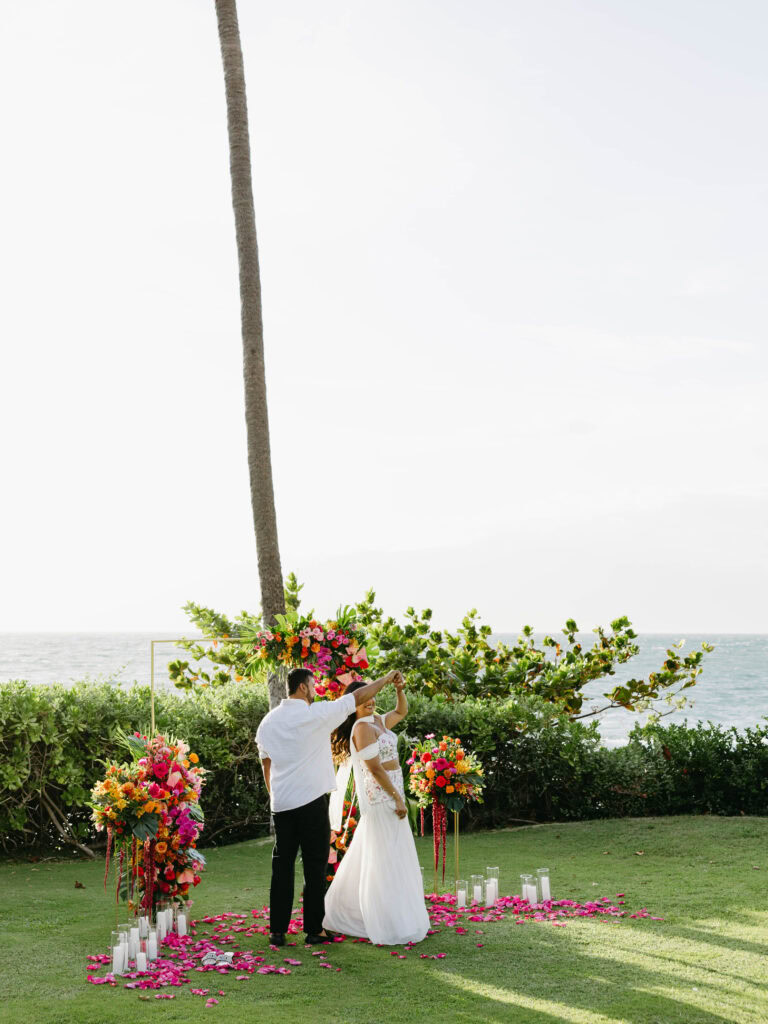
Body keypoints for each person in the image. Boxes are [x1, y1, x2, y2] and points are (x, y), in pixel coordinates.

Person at [255, 665, 399, 946]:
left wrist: (275, 796)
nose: (316, 689)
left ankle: (277, 931)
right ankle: (314, 930)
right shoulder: (316, 714)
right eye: (313, 684)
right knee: (315, 865)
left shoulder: (267, 722)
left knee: (281, 866)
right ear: (302, 688)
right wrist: (386, 678)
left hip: (281, 804)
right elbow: (358, 697)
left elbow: (266, 763)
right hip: (310, 802)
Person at [322, 676, 430, 945]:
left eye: (372, 697)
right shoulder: (361, 728)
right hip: (381, 797)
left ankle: (380, 911)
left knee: (388, 852)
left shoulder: (378, 721)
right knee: (383, 854)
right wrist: (397, 799)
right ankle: (376, 915)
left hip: (394, 791)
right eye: (365, 698)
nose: (370, 702)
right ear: (355, 703)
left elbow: (402, 711)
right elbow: (374, 768)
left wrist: (399, 689)